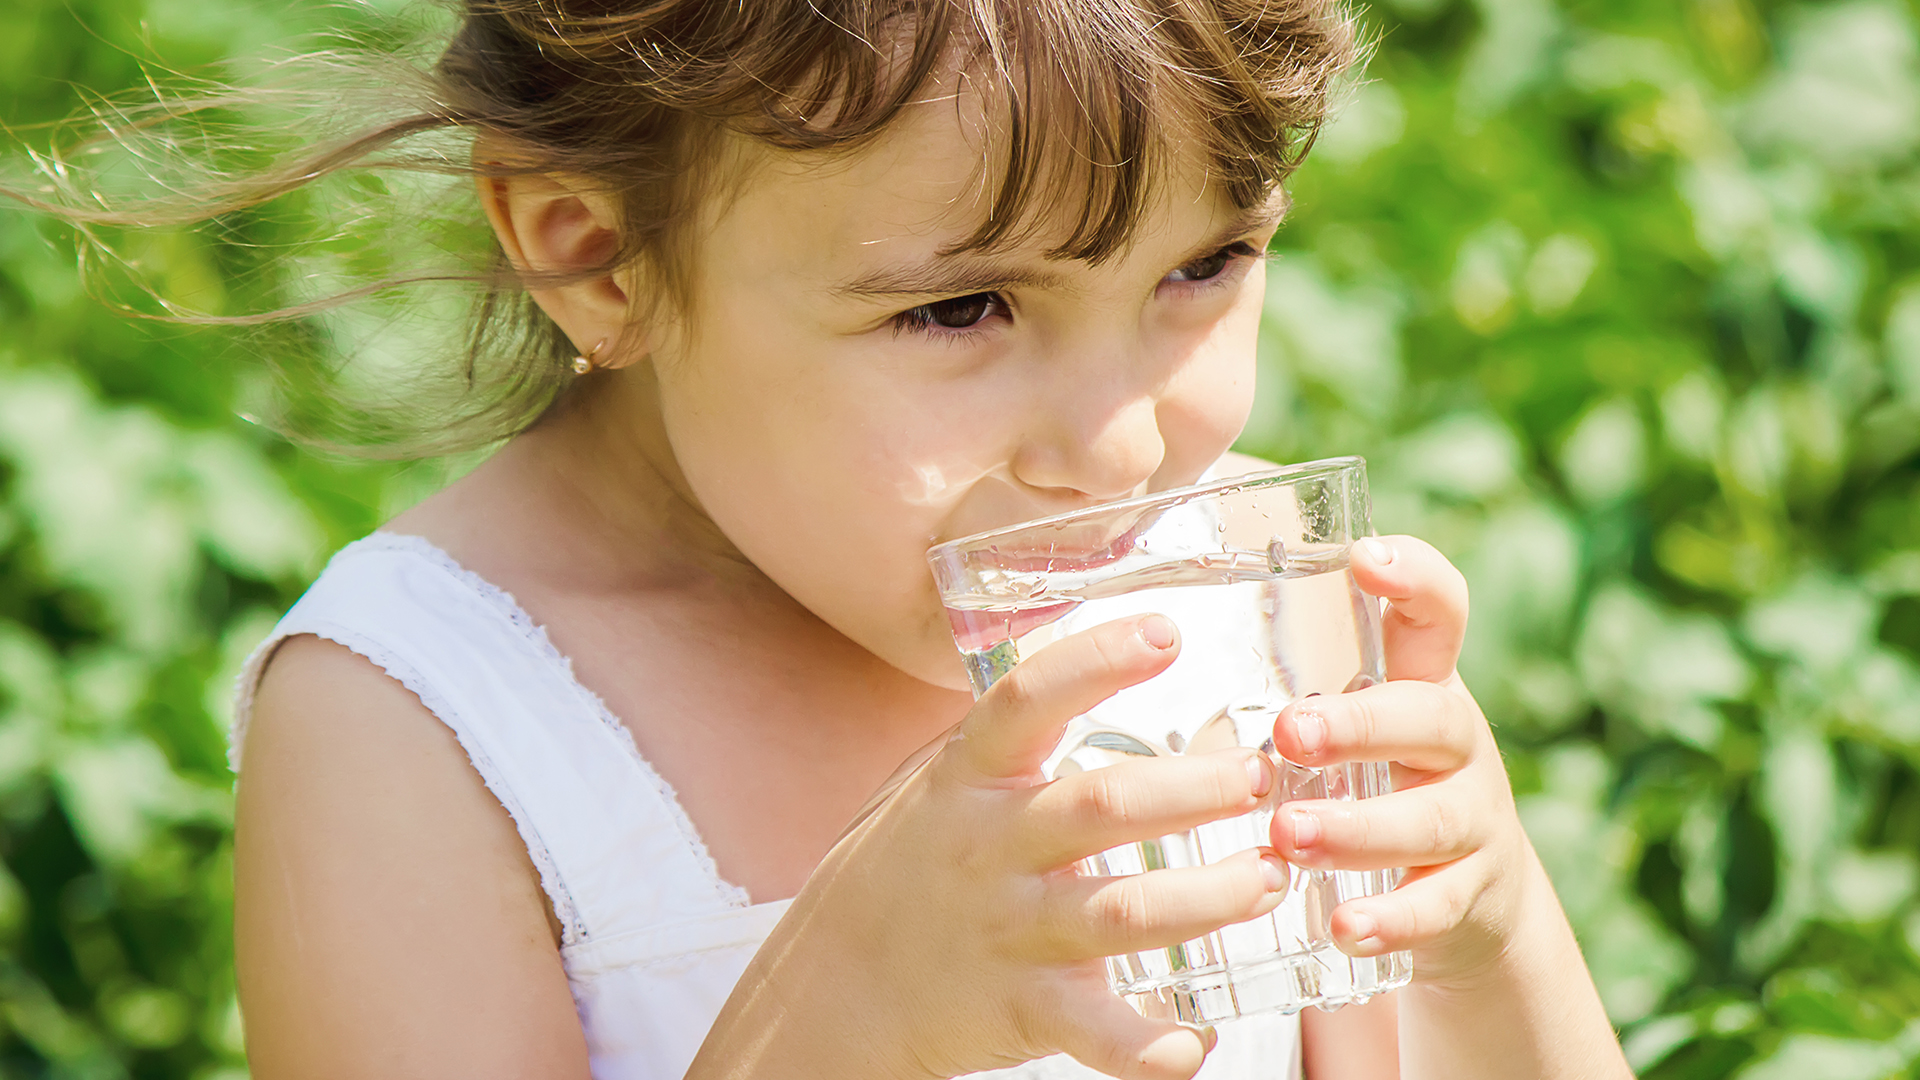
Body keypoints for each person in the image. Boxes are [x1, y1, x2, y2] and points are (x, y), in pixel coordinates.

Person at [20, 0, 1632, 1076]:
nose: (1119, 448)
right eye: (960, 308)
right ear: (595, 254)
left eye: (1204, 268)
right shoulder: (422, 720)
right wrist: (848, 1007)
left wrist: (1479, 940)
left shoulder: (1232, 588)